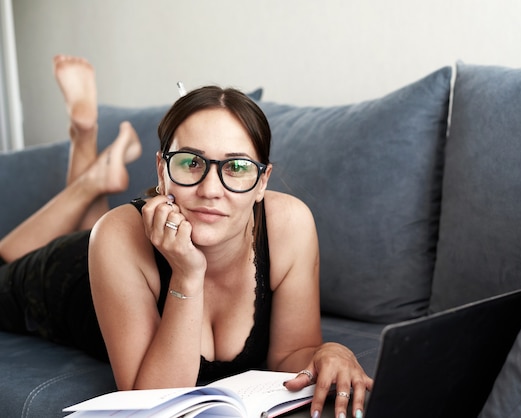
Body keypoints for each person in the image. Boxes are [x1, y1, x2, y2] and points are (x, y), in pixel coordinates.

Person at [0, 55, 372, 418]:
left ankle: (95, 170)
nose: (211, 189)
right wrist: (188, 274)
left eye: (238, 167)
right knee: (9, 253)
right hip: (65, 276)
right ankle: (89, 161)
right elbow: (155, 401)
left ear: (263, 181)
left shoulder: (290, 225)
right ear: (162, 170)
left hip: (110, 255)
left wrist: (330, 351)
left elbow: (292, 355)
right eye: (191, 162)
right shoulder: (115, 236)